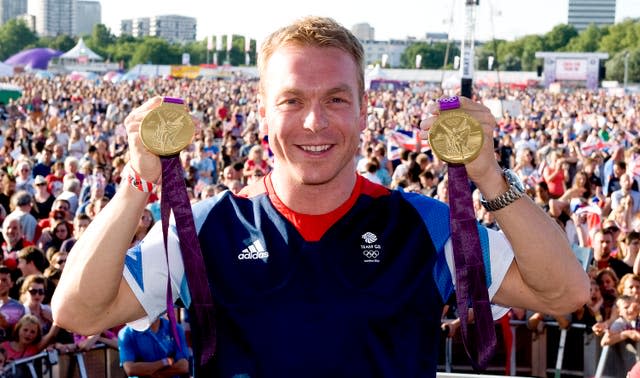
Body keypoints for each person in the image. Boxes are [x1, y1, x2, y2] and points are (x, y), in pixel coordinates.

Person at [53, 16, 589, 377]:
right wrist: (133, 183)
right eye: (292, 100)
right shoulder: (205, 229)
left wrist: (490, 176)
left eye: (336, 98)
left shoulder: (427, 225)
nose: (315, 122)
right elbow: (77, 310)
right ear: (263, 111)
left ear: (362, 109)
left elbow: (564, 293)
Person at [117, 317, 190, 378]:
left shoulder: (176, 328)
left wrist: (155, 374)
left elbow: (183, 366)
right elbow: (130, 369)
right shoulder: (126, 333)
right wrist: (165, 362)